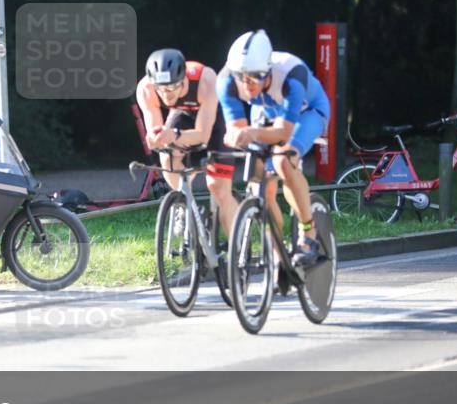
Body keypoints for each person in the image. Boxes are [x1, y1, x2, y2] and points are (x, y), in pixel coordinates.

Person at [216, 29, 331, 268]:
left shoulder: (291, 74)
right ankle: (278, 254)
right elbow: (239, 130)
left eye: (254, 77)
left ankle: (308, 233)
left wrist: (253, 133)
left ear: (268, 70)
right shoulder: (227, 80)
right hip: (267, 113)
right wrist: (237, 135)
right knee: (262, 188)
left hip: (306, 112)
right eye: (242, 78)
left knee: (282, 161)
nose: (247, 85)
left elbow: (283, 133)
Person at [136, 48, 239, 238]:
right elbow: (155, 130)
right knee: (167, 155)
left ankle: (238, 251)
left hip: (213, 122)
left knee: (218, 189)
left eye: (172, 88)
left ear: (183, 79)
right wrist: (155, 138)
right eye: (161, 89)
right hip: (182, 115)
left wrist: (174, 135)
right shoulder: (146, 89)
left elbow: (203, 135)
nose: (166, 95)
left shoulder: (205, 80)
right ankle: (184, 202)